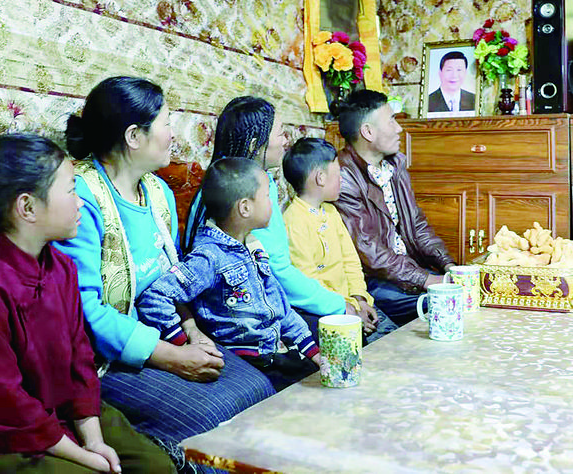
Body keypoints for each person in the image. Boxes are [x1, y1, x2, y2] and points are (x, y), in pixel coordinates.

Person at [0, 133, 173, 473]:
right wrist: (85, 458)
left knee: (156, 467)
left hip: (62, 413)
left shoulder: (61, 266)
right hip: (2, 437)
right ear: (27, 207)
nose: (80, 203)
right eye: (71, 190)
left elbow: (80, 358)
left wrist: (93, 440)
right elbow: (4, 402)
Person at [57, 77, 273, 466]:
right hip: (106, 360)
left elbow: (173, 281)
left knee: (259, 389)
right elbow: (84, 311)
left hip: (168, 334)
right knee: (215, 418)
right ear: (134, 137)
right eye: (167, 123)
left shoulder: (159, 193)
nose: (173, 134)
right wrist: (171, 357)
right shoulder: (82, 197)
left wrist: (192, 333)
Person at [139, 157, 324, 392]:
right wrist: (181, 340)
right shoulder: (209, 257)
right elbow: (155, 297)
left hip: (274, 351)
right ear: (245, 207)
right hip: (248, 362)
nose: (273, 203)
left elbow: (279, 307)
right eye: (267, 196)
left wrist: (313, 352)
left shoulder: (253, 246)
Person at [183, 97, 357, 332]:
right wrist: (338, 305)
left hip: (267, 295)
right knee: (339, 330)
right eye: (281, 134)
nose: (287, 141)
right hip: (240, 308)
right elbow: (276, 270)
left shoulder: (255, 181)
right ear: (255, 145)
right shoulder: (243, 195)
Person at [335, 90, 456, 325]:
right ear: (368, 132)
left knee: (466, 291)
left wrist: (448, 265)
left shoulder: (394, 164)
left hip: (408, 272)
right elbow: (369, 251)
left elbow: (417, 224)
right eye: (391, 120)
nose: (399, 128)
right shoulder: (344, 176)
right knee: (447, 302)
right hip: (376, 281)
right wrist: (428, 280)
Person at [281, 137, 398, 343]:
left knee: (395, 340)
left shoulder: (330, 211)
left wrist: (360, 299)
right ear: (320, 178)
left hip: (355, 303)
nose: (341, 180)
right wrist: (348, 308)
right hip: (329, 312)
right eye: (338, 174)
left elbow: (350, 261)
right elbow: (309, 281)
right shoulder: (293, 221)